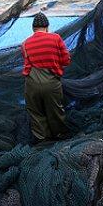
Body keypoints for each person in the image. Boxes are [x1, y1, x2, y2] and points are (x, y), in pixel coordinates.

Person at [21, 12, 70, 141]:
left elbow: (27, 65)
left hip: (31, 84)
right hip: (51, 82)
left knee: (36, 113)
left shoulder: (25, 43)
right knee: (55, 112)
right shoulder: (56, 38)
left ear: (33, 28)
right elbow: (66, 60)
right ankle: (59, 137)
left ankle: (42, 140)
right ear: (47, 27)